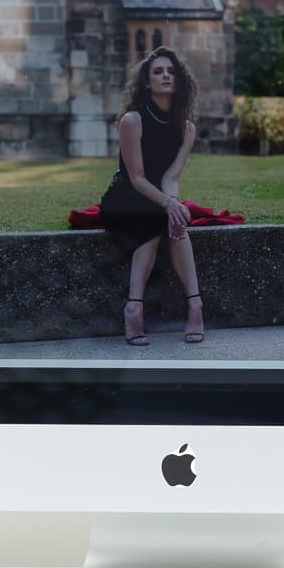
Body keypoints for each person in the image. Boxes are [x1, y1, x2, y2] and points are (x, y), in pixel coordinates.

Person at [98, 46, 204, 345]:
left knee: (175, 220)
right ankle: (135, 308)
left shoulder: (186, 128)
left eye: (171, 71)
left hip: (158, 196)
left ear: (180, 80)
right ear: (146, 81)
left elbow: (171, 176)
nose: (166, 76)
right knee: (158, 220)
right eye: (158, 71)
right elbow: (137, 178)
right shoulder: (132, 120)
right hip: (126, 196)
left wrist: (174, 205)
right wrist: (168, 204)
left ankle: (194, 306)